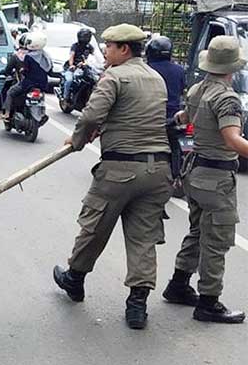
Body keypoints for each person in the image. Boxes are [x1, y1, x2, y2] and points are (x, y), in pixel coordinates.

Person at [53, 24, 172, 330]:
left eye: (109, 46)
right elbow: (136, 116)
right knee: (144, 238)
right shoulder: (156, 78)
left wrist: (77, 140)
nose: (105, 51)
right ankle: (137, 305)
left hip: (120, 169)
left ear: (124, 49)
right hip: (158, 170)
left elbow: (92, 115)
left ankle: (74, 278)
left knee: (95, 226)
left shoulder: (114, 76)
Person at [162, 36, 246, 323]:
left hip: (195, 172)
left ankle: (178, 284)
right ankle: (209, 302)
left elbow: (185, 116)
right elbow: (232, 139)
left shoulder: (199, 89)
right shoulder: (227, 98)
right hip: (216, 178)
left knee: (198, 231)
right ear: (233, 67)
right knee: (216, 240)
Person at [146, 35, 186, 183]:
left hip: (151, 116)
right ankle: (177, 177)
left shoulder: (146, 70)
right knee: (176, 147)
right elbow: (181, 90)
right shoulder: (179, 70)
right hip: (174, 117)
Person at [3, 31, 50, 118]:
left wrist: (22, 71)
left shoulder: (22, 56)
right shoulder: (45, 55)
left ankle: (7, 113)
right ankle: (42, 113)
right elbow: (49, 69)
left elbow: (24, 70)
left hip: (28, 83)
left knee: (10, 92)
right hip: (43, 84)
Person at [61, 28, 96, 99]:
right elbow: (71, 56)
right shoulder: (75, 46)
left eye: (87, 36)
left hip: (84, 68)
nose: (85, 38)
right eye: (84, 36)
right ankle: (66, 98)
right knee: (69, 80)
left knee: (93, 80)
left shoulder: (89, 47)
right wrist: (72, 65)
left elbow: (95, 56)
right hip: (73, 68)